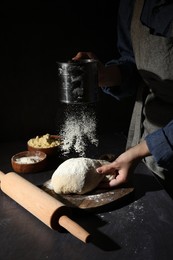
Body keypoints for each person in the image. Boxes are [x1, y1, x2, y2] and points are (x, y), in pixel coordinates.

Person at [72, 0, 173, 195]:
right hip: (148, 139)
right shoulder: (132, 2)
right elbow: (134, 64)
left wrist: (139, 152)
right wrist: (103, 75)